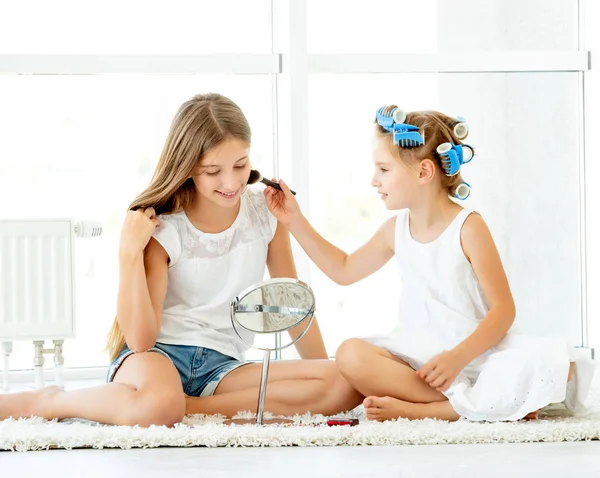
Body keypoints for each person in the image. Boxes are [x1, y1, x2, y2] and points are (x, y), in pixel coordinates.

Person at [0, 93, 363, 426]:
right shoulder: (166, 226)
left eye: (240, 165)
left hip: (223, 368)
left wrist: (323, 371)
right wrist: (128, 253)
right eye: (213, 171)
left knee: (345, 383)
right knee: (160, 403)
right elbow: (141, 340)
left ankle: (183, 408)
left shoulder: (264, 214)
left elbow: (291, 306)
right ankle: (51, 401)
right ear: (188, 167)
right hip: (156, 358)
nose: (232, 182)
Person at [264, 105, 596, 422]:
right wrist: (294, 221)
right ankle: (477, 405)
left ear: (424, 171)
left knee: (557, 364)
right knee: (350, 354)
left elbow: (503, 311)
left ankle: (431, 411)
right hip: (421, 359)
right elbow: (344, 270)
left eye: (383, 170)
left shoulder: (468, 226)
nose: (373, 181)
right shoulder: (395, 230)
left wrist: (457, 358)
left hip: (474, 355)